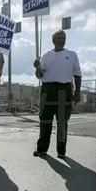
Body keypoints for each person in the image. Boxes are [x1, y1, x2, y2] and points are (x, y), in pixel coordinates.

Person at [33, 30, 82, 159]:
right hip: (47, 91)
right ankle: (42, 149)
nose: (62, 39)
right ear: (53, 40)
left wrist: (77, 92)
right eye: (59, 37)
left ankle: (61, 151)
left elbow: (77, 74)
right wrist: (37, 67)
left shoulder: (72, 55)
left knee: (62, 123)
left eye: (63, 37)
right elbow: (40, 75)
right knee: (45, 121)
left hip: (64, 91)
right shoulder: (46, 55)